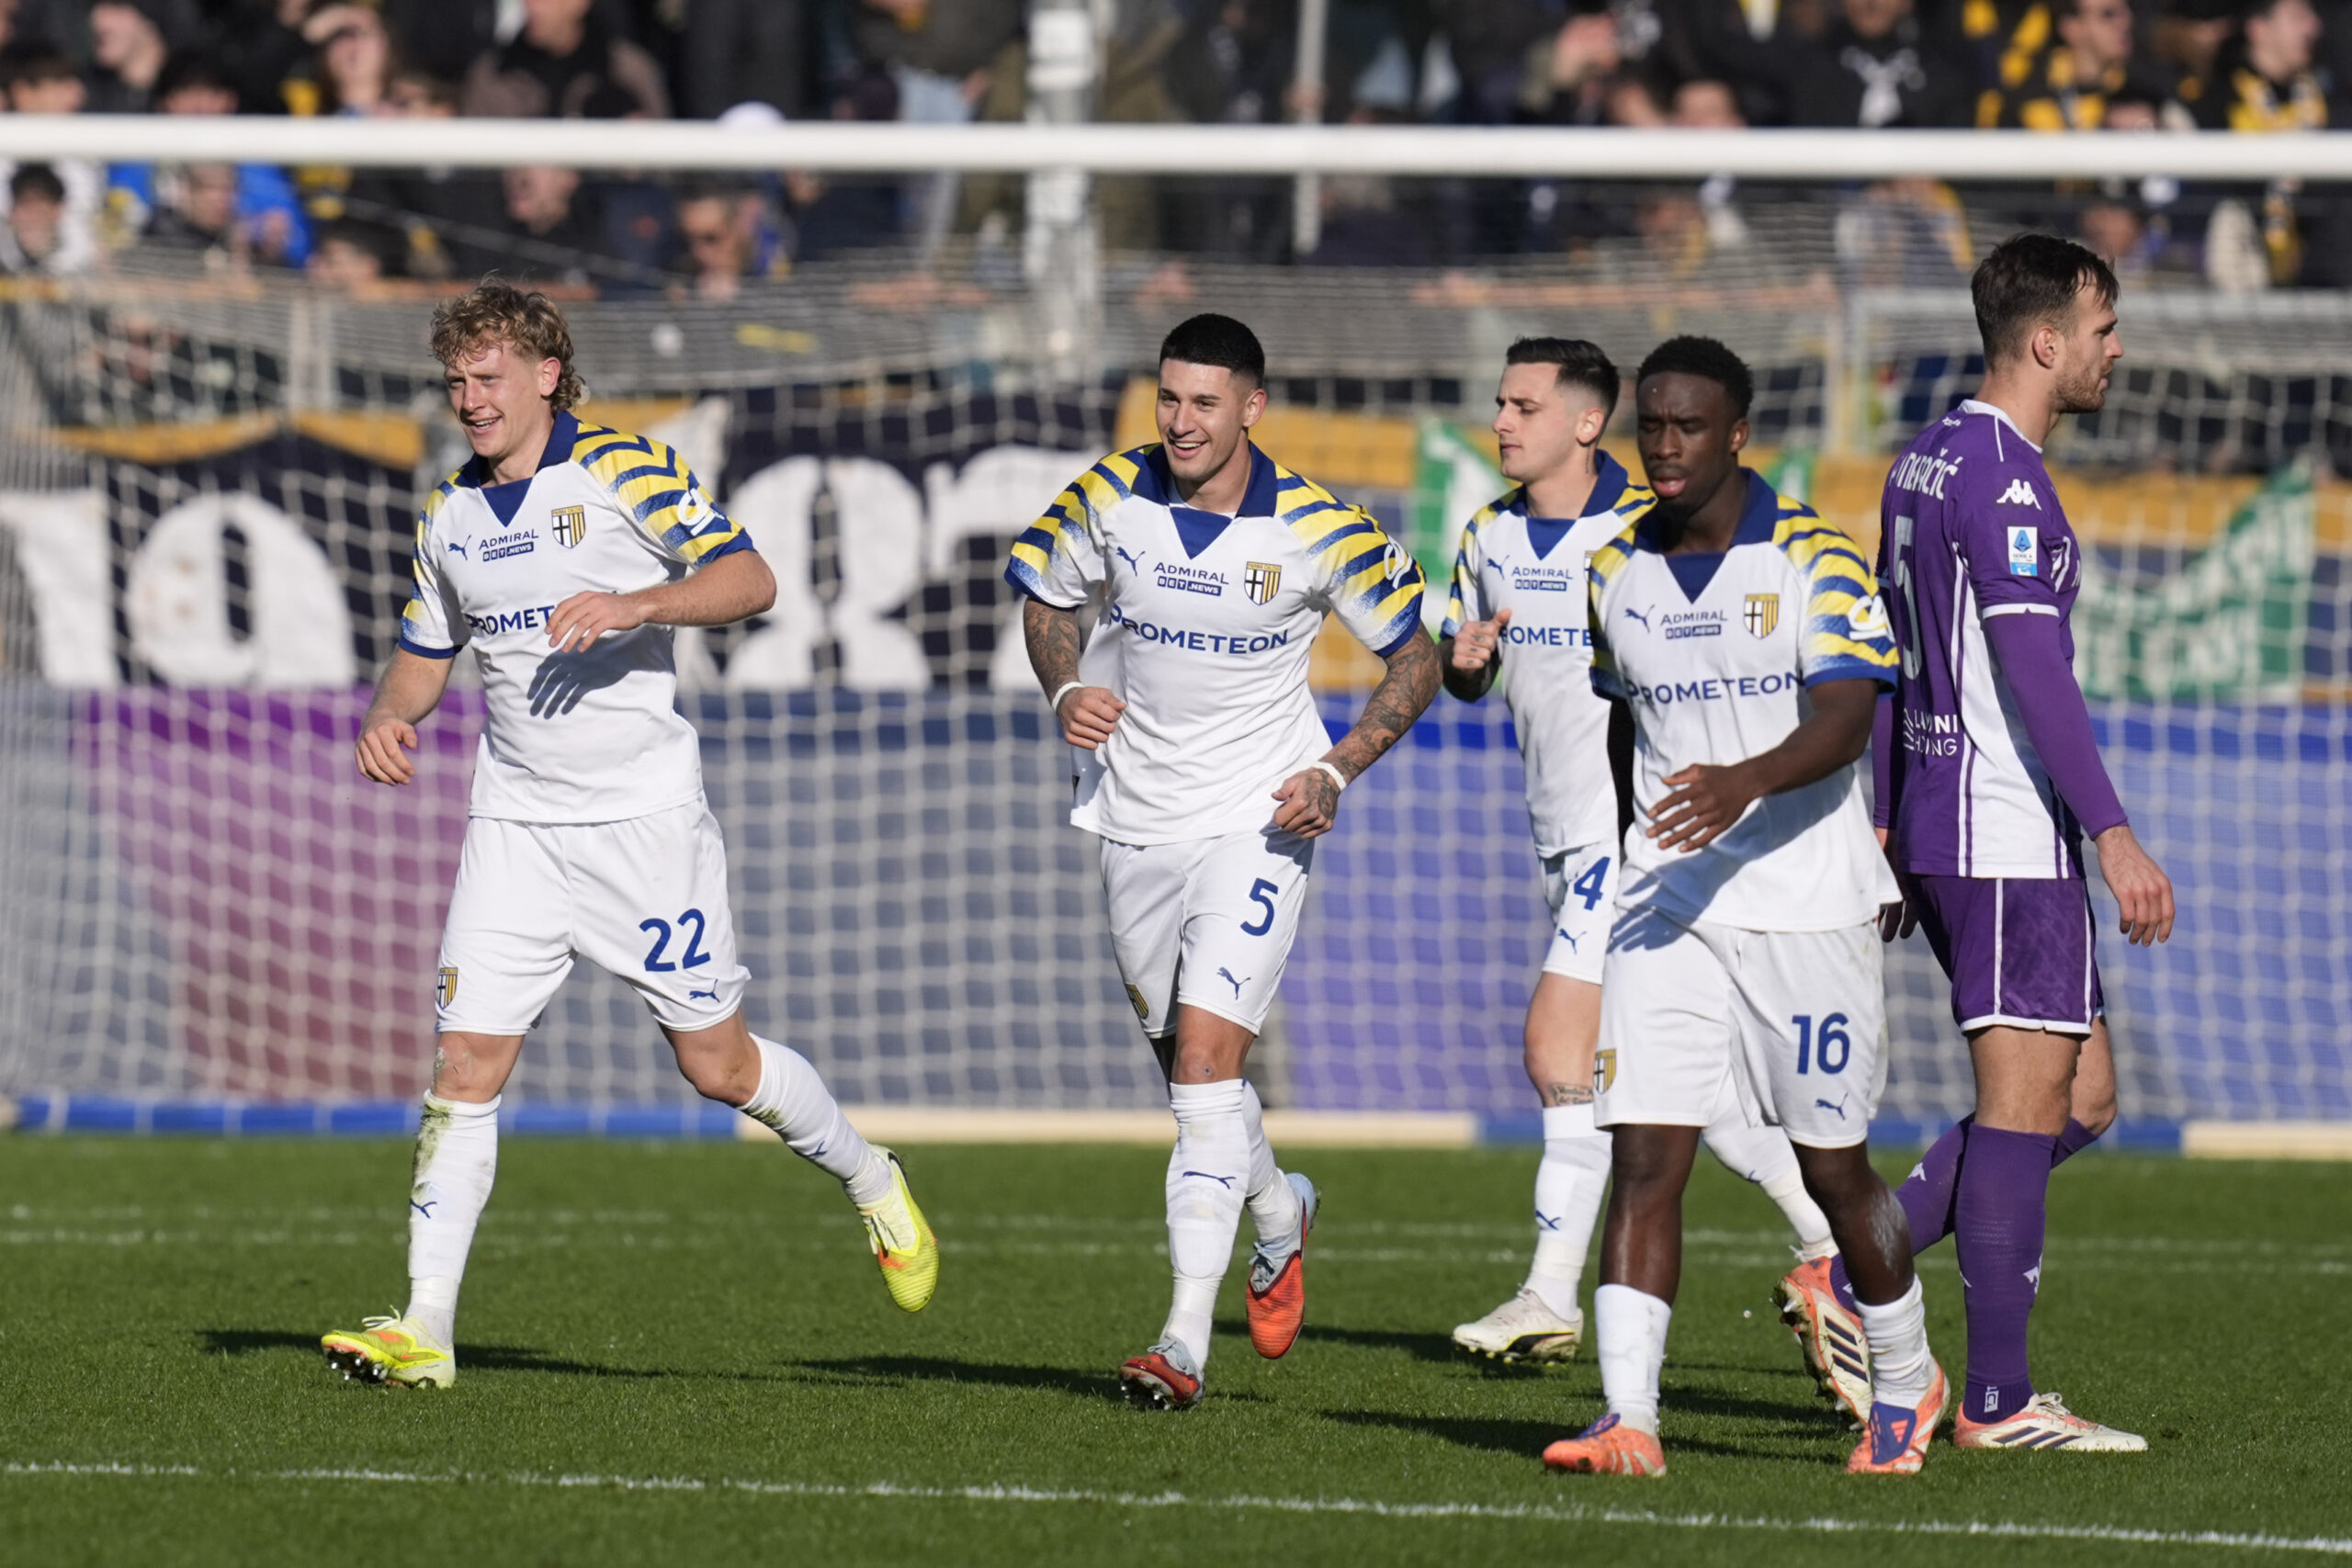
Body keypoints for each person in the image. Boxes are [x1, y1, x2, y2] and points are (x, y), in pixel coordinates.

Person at [319, 280, 938, 1389]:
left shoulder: (622, 468)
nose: (470, 399)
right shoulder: (448, 514)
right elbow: (424, 653)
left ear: (547, 375)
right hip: (514, 826)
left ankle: (868, 1173)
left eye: (489, 377)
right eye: (456, 381)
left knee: (718, 1067)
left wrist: (638, 603)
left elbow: (751, 577)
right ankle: (426, 1329)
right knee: (463, 1066)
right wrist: (387, 717)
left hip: (643, 825)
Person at [1006, 312, 1439, 1410]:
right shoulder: (1111, 494)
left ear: (1253, 406)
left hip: (1260, 821)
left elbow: (1415, 658)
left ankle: (1181, 1343)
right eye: (1169, 397)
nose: (1182, 421)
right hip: (1134, 819)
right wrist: (1065, 687)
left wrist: (1336, 769)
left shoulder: (1318, 526)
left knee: (1203, 1068)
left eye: (1205, 401)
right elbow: (1046, 596)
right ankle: (1280, 1212)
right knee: (1191, 1073)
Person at [1441, 337, 1876, 1427]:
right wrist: (1464, 667)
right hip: (1568, 833)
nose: (1501, 422)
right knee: (1685, 1100)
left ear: (1585, 423)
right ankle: (1825, 1254)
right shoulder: (1488, 537)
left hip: (1638, 844)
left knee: (1560, 1053)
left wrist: (1680, 811)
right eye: (1499, 403)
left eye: (1524, 404)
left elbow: (1822, 697)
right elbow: (1479, 671)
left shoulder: (1658, 529)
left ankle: (1551, 1298)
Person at [1540, 335, 1942, 1478]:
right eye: (1650, 427)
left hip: (1804, 905)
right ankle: (1629, 1419)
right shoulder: (1612, 570)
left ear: (1736, 433)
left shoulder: (1812, 557)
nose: (1664, 448)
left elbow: (1846, 720)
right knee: (1644, 1154)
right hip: (1666, 905)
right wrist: (1638, 840)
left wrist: (1739, 783)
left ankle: (1905, 1385)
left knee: (1833, 1170)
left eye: (1688, 427)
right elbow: (1626, 725)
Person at [1869, 233, 2173, 1450]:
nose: (2115, 350)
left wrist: (1886, 816)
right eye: (2102, 329)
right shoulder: (2004, 481)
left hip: (1947, 820)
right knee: (2022, 1103)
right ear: (2046, 342)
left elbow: (1890, 656)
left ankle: (1850, 1265)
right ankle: (1996, 1400)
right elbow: (2035, 670)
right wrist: (2115, 833)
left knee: (2082, 1095)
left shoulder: (1922, 459)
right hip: (2002, 825)